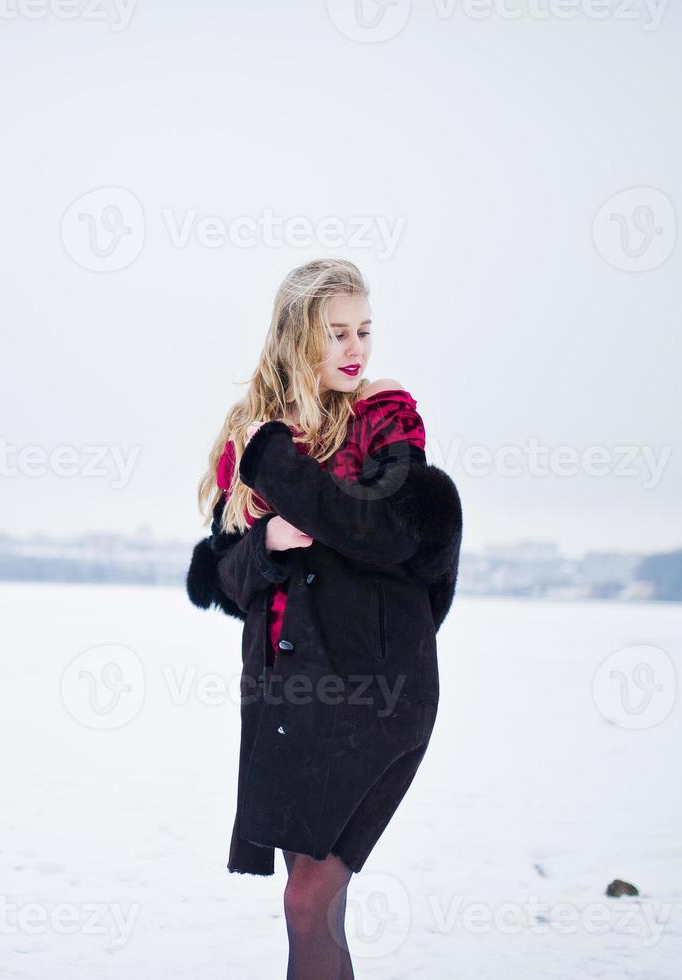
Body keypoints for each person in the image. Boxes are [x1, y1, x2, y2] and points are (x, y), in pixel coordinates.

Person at [186, 258, 463, 978]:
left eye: (363, 331)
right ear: (295, 337)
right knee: (312, 904)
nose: (354, 350)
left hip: (376, 692)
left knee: (307, 902)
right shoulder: (251, 436)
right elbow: (218, 578)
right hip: (290, 695)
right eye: (335, 333)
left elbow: (385, 533)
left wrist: (277, 466)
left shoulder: (381, 418)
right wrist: (266, 544)